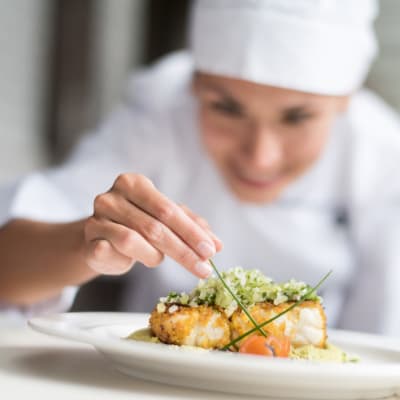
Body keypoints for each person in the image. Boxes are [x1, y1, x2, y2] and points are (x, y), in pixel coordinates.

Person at [0, 0, 399, 335]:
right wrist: (86, 242)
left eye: (297, 118)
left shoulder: (380, 154)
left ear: (345, 100)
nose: (260, 156)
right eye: (226, 108)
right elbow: (8, 264)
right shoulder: (161, 113)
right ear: (194, 86)